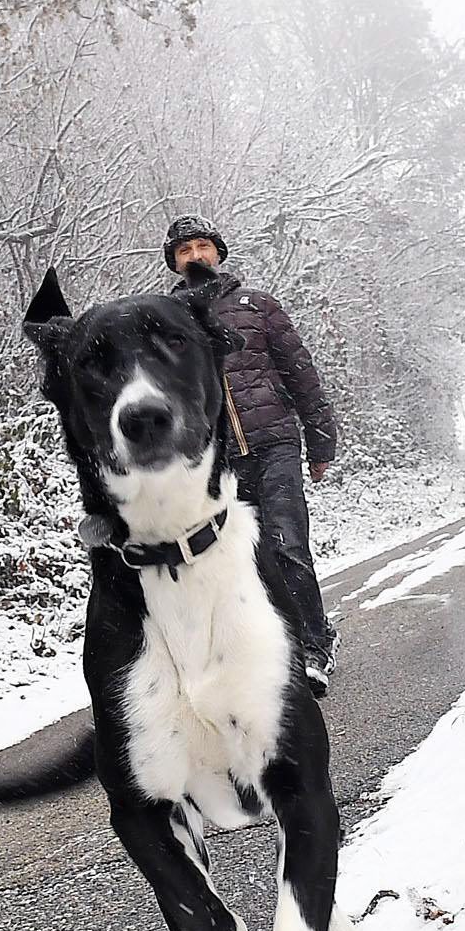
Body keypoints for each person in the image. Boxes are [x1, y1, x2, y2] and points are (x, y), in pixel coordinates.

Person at [163, 215, 340, 693]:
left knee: (287, 544)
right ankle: (272, 651)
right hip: (217, 461)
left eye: (202, 246)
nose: (195, 256)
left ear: (218, 253)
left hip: (275, 442)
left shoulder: (258, 305)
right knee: (243, 560)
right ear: (175, 263)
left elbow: (300, 373)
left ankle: (314, 646)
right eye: (184, 250)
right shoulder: (167, 321)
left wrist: (321, 438)